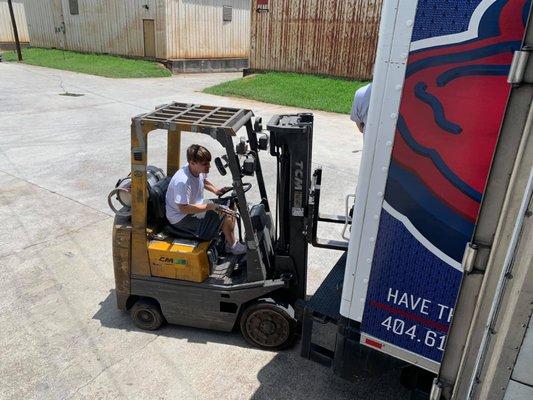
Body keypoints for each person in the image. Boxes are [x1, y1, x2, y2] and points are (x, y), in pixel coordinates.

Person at [165, 144, 246, 255]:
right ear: (192, 163)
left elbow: (203, 181)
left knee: (231, 202)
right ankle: (232, 246)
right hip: (181, 218)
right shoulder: (183, 181)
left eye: (208, 163)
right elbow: (183, 209)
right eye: (205, 164)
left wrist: (216, 191)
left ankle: (228, 240)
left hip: (194, 206)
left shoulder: (196, 169)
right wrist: (209, 207)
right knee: (225, 213)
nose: (209, 166)